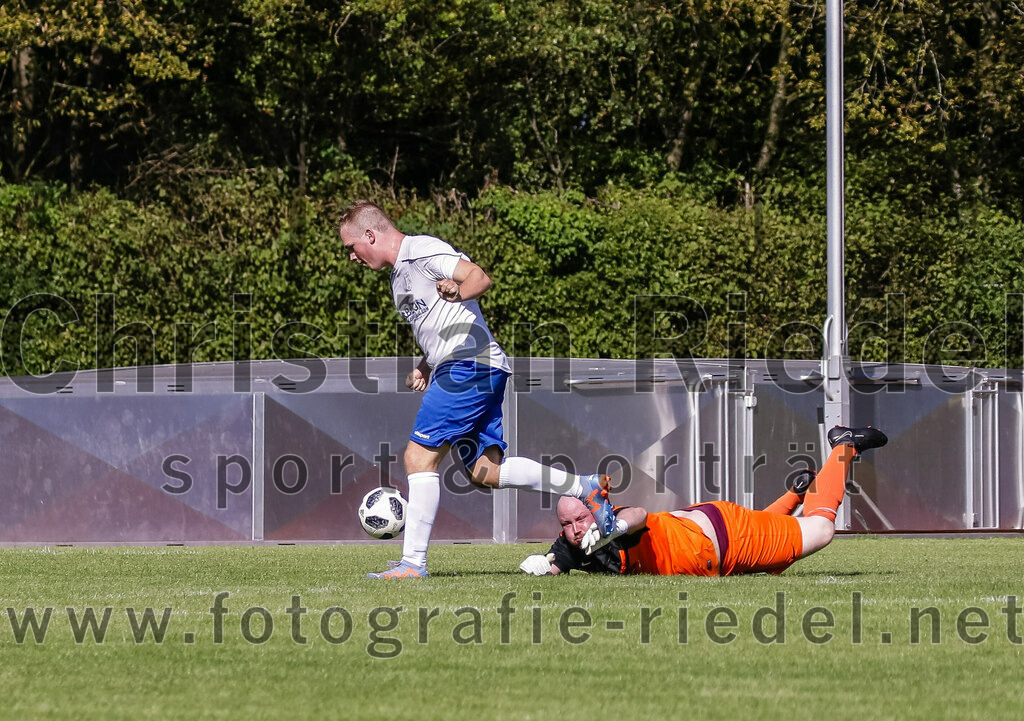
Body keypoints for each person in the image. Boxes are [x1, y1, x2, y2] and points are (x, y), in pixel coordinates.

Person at [338, 200, 615, 579]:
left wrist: (459, 289)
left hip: (468, 365)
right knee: (485, 471)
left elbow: (478, 277)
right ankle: (582, 486)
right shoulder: (397, 278)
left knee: (418, 459)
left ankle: (412, 564)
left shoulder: (420, 250)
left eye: (351, 247)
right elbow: (440, 326)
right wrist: (425, 364)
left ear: (370, 235)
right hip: (467, 366)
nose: (351, 257)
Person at [519, 426, 887, 577]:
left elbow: (637, 515)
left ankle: (844, 444)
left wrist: (610, 528)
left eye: (580, 519)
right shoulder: (572, 543)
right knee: (771, 558)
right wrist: (537, 569)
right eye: (566, 524)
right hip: (711, 530)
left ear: (593, 511)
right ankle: (798, 491)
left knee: (821, 530)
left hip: (726, 536)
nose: (575, 529)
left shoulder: (609, 524)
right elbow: (556, 564)